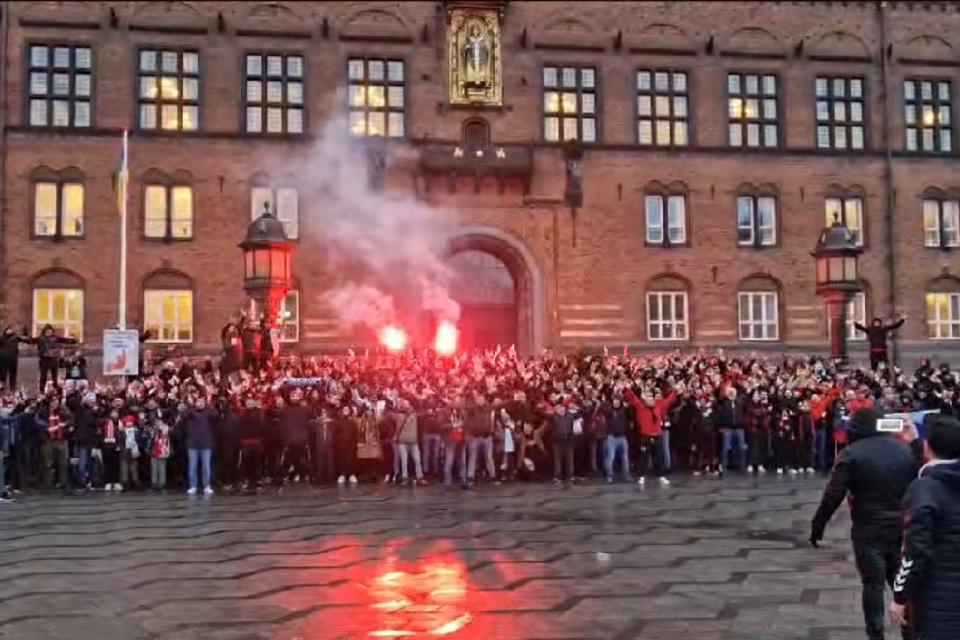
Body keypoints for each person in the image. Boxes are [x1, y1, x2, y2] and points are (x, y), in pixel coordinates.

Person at [809, 407, 920, 640]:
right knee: (903, 585)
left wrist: (818, 527)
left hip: (868, 529)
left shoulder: (851, 454)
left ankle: (876, 634)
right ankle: (910, 633)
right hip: (901, 528)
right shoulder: (905, 451)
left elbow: (833, 494)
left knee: (873, 585)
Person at [890, 415, 960, 640]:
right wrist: (914, 442)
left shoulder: (923, 489)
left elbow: (915, 550)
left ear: (929, 446)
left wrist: (900, 596)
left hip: (939, 598)